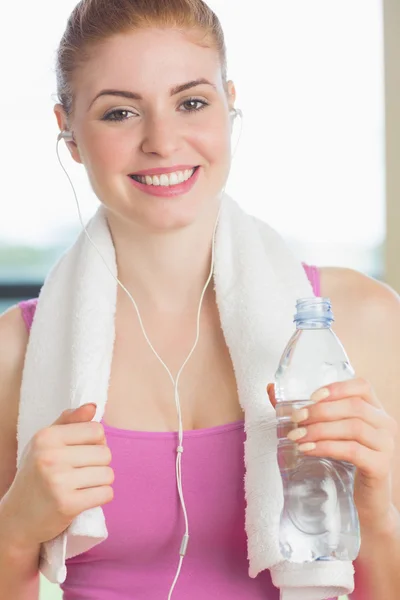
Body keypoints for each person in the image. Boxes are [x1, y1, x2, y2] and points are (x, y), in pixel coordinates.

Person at [0, 0, 399, 598]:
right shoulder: (16, 354)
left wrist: (378, 513)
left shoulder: (361, 323)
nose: (162, 141)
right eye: (119, 112)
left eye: (191, 102)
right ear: (70, 132)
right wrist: (13, 529)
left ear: (228, 102)